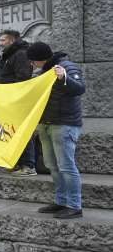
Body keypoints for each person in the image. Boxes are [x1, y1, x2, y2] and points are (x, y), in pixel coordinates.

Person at [27, 42, 86, 219]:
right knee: (53, 166)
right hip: (46, 124)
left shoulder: (67, 66)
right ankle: (61, 201)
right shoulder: (44, 72)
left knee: (66, 166)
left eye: (33, 61)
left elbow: (80, 88)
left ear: (41, 59)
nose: (32, 65)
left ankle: (74, 205)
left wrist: (64, 77)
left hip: (64, 125)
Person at [0, 29, 36, 177]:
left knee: (23, 131)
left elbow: (23, 78)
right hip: (9, 99)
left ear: (11, 41)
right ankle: (18, 163)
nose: (0, 43)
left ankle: (29, 165)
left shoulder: (21, 54)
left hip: (17, 100)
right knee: (12, 131)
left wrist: (11, 93)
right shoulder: (10, 54)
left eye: (3, 40)